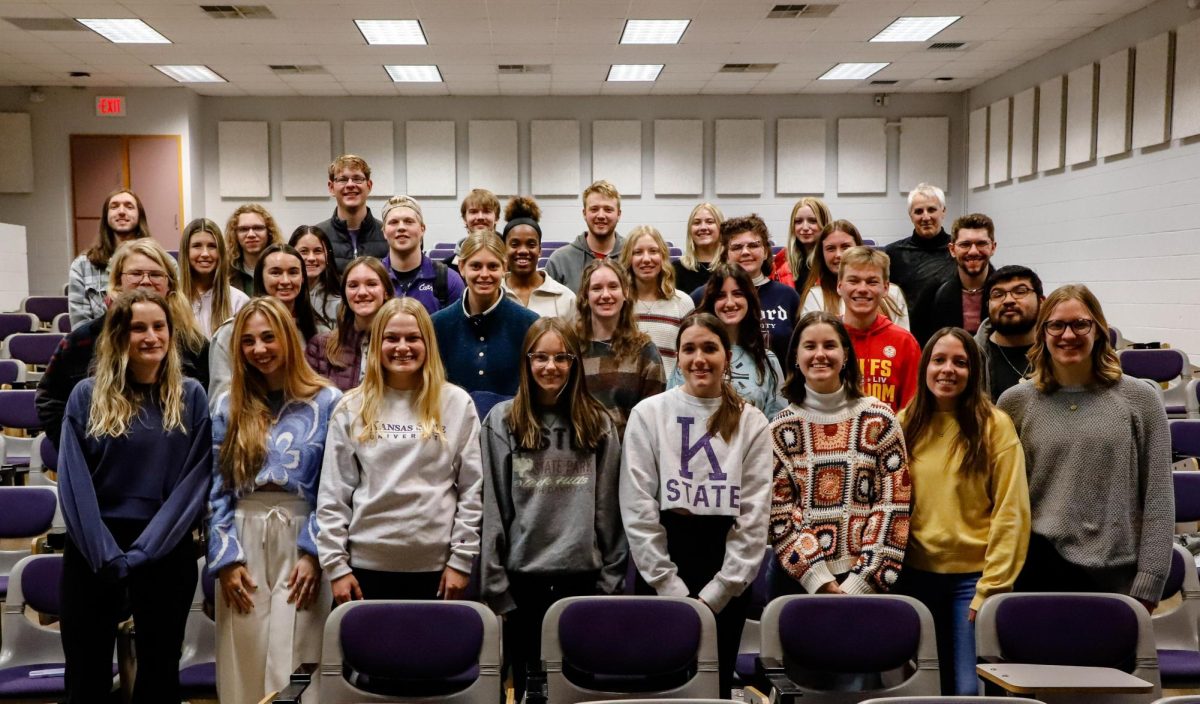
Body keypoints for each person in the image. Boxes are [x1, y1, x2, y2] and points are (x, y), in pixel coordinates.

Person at [57, 289, 211, 703]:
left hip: (164, 550)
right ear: (118, 336)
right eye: (137, 328)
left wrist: (146, 551)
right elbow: (74, 483)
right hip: (93, 551)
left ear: (170, 333)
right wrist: (103, 551)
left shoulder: (191, 396)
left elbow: (194, 481)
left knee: (159, 673)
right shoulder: (86, 396)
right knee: (86, 673)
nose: (150, 336)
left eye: (158, 326)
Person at [620, 312, 771, 698]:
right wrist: (668, 585)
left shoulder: (751, 422)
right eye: (689, 349)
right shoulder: (649, 414)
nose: (699, 359)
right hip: (663, 560)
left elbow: (753, 516)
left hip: (724, 565)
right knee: (658, 685)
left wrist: (720, 591)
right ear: (678, 356)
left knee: (713, 687)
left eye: (710, 348)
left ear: (726, 355)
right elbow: (638, 507)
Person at [998, 284, 1173, 610]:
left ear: (1098, 330)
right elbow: (1002, 500)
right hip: (1036, 570)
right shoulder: (1014, 402)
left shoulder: (1141, 399)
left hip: (1116, 577)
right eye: (1056, 325)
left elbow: (1159, 497)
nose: (1068, 335)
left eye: (1080, 324)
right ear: (1043, 333)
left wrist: (1150, 580)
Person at [480, 317, 626, 702]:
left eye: (561, 358)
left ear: (575, 363)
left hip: (583, 582)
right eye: (540, 357)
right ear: (526, 363)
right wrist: (496, 586)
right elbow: (494, 506)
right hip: (522, 583)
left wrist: (609, 581)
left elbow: (609, 509)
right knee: (530, 693)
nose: (550, 367)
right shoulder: (503, 421)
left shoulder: (598, 423)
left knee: (579, 692)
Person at [208, 298, 341, 704]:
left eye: (268, 337)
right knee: (243, 653)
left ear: (287, 337)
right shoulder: (228, 404)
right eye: (247, 341)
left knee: (300, 654)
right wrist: (226, 558)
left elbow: (334, 486)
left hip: (302, 537)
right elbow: (215, 487)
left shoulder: (329, 401)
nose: (259, 349)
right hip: (243, 539)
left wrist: (313, 552)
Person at [317, 297, 483, 602]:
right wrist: (336, 566)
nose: (402, 347)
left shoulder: (457, 404)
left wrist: (461, 559)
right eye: (391, 338)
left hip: (438, 569)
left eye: (413, 338)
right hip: (364, 568)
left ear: (428, 343)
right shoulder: (351, 406)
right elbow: (333, 494)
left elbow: (472, 491)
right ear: (377, 344)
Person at [896, 327, 1030, 696]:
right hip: (914, 577)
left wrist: (991, 587)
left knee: (969, 690)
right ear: (925, 367)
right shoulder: (906, 422)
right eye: (939, 360)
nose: (948, 370)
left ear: (974, 372)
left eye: (960, 362)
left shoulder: (994, 425)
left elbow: (1011, 512)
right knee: (922, 690)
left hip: (971, 581)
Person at [768, 311, 911, 599]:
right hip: (798, 582)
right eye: (810, 346)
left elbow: (893, 506)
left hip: (867, 583)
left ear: (845, 354)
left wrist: (860, 582)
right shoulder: (780, 429)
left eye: (829, 345)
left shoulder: (879, 419)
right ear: (796, 355)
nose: (820, 354)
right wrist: (818, 578)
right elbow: (780, 514)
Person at [38, 239, 210, 451]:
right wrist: (79, 447)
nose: (146, 281)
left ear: (170, 285)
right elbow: (49, 400)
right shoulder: (81, 341)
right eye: (136, 274)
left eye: (156, 274)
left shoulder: (194, 344)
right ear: (118, 282)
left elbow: (206, 410)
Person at [432, 229, 539, 417]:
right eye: (475, 266)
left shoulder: (529, 324)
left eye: (492, 266)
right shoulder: (437, 325)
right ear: (462, 267)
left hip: (512, 433)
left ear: (504, 267)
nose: (484, 274)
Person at [210, 243, 322, 407]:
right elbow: (220, 404)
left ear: (303, 278)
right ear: (260, 277)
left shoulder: (319, 331)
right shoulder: (230, 332)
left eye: (293, 272)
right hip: (249, 424)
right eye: (275, 273)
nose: (285, 281)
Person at [677, 264, 784, 417]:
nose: (730, 303)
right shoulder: (691, 358)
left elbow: (776, 423)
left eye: (738, 294)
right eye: (721, 296)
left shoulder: (768, 361)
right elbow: (672, 412)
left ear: (749, 299)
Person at [576, 259, 666, 439]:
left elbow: (654, 420)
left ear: (625, 292)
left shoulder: (645, 352)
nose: (605, 295)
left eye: (613, 286)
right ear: (586, 296)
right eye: (596, 288)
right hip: (579, 456)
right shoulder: (571, 347)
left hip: (628, 456)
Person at [695, 215, 801, 366]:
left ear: (765, 252)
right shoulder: (703, 295)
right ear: (725, 255)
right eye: (737, 247)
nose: (745, 252)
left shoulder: (788, 296)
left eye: (753, 245)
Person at [837, 246, 921, 412]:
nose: (862, 289)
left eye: (872, 282)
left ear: (886, 288)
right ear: (839, 286)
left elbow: (913, 411)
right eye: (853, 281)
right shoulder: (826, 338)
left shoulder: (904, 343)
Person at [800, 219, 909, 330]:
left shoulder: (893, 293)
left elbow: (902, 340)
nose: (839, 254)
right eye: (831, 248)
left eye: (845, 247)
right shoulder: (815, 296)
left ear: (859, 247)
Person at [305, 257, 395, 391]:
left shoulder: (400, 346)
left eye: (371, 284)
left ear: (386, 292)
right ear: (345, 294)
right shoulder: (319, 346)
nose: (362, 292)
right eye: (353, 286)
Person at [884, 183, 957, 347]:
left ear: (943, 211)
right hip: (908, 343)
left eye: (932, 210)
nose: (925, 217)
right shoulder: (892, 254)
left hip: (951, 342)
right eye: (918, 211)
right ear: (910, 215)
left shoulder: (960, 250)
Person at [67, 189, 152, 328]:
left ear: (140, 216)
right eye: (114, 206)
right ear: (106, 216)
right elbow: (80, 327)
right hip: (100, 347)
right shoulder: (82, 266)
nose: (122, 211)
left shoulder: (164, 263)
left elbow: (175, 315)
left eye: (129, 206)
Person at [621, 225, 694, 376]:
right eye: (638, 252)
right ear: (628, 258)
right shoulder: (619, 303)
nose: (646, 259)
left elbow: (691, 354)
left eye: (653, 251)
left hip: (670, 392)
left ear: (663, 256)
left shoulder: (682, 303)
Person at [380, 194, 465, 314]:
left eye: (409, 221)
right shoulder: (373, 277)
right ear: (384, 231)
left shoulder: (449, 280)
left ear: (422, 229)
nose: (401, 227)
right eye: (393, 222)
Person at [976, 265, 1045, 400]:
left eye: (1020, 291)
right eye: (998, 294)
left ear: (1042, 301)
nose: (1008, 300)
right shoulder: (970, 354)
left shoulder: (1059, 351)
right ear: (987, 306)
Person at [501, 196, 576, 318]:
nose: (523, 251)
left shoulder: (565, 298)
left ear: (540, 250)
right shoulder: (492, 294)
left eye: (531, 244)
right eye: (515, 244)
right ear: (504, 249)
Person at [545, 179, 624, 291]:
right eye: (594, 209)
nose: (601, 215)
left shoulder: (633, 255)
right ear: (584, 213)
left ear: (619, 214)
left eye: (608, 209)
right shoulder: (560, 261)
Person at [316, 155, 388, 276]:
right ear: (331, 187)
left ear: (369, 186)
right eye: (342, 179)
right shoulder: (317, 237)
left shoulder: (387, 235)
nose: (350, 185)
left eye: (357, 179)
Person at [180, 217, 249, 337]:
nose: (205, 254)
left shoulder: (239, 301)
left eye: (212, 246)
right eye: (197, 246)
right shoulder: (172, 298)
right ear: (186, 252)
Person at [931, 214, 997, 335]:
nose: (973, 251)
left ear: (993, 247)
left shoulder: (1007, 294)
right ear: (952, 250)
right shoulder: (936, 294)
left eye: (981, 243)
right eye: (965, 244)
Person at [772, 197, 830, 291]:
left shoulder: (832, 261)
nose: (805, 227)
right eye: (798, 221)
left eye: (812, 221)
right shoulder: (782, 260)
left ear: (824, 223)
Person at [290, 225, 342, 328]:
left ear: (327, 256)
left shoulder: (342, 300)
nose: (311, 258)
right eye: (304, 251)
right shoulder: (284, 296)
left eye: (318, 251)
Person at [226, 204, 284, 296]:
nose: (251, 234)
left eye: (258, 228)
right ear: (235, 234)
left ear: (269, 232)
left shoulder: (284, 268)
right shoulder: (226, 272)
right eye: (243, 229)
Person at [445, 188, 502, 273]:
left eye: (486, 211)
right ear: (465, 218)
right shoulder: (447, 269)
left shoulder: (511, 262)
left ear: (496, 218)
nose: (480, 217)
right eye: (473, 212)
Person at [672, 202, 725, 295]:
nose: (703, 227)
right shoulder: (676, 269)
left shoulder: (732, 267)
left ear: (721, 227)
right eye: (697, 223)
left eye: (710, 222)